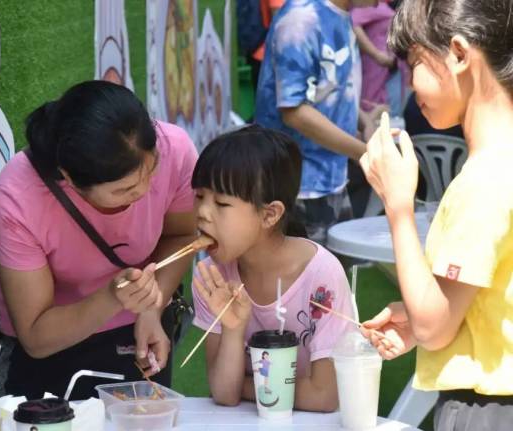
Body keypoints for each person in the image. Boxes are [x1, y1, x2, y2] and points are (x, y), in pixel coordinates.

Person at [0, 80, 198, 400]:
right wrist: (113, 297)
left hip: (136, 336)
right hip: (50, 351)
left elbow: (182, 234)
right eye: (123, 191)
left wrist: (152, 305)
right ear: (69, 178)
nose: (142, 194)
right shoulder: (18, 200)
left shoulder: (175, 150)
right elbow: (36, 336)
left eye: (151, 173)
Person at [359, 1, 513, 429]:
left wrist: (398, 206)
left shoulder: (485, 178)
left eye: (416, 64)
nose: (410, 85)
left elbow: (433, 327)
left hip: (487, 411)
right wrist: (419, 310)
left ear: (460, 55)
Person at [191, 125, 354, 412]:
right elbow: (223, 393)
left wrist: (245, 386)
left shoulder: (321, 276)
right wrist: (233, 327)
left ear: (269, 214)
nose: (203, 212)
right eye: (200, 196)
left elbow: (325, 396)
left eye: (221, 203)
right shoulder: (212, 277)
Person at [254, 0, 379, 245]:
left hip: (331, 178)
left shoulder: (339, 17)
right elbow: (295, 111)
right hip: (298, 188)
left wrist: (365, 122)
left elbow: (332, 91)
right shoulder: (301, 21)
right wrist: (365, 154)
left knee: (336, 280)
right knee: (305, 282)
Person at [352, 0, 410, 116]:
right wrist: (376, 54)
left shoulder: (391, 7)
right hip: (375, 73)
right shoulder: (372, 5)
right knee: (375, 113)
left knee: (391, 114)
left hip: (394, 71)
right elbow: (353, 23)